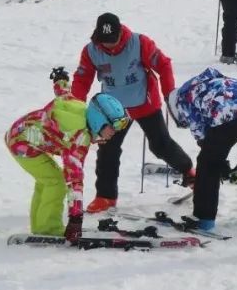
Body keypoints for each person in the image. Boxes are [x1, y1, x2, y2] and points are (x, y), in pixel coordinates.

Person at [72, 12, 194, 212]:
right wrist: (75, 105)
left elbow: (163, 65)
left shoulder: (139, 43)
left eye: (113, 40)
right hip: (113, 108)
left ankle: (189, 172)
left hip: (144, 102)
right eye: (105, 42)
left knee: (161, 145)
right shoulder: (91, 50)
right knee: (107, 150)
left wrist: (169, 94)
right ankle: (105, 196)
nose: (110, 45)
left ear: (121, 32)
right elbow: (82, 79)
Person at [5, 68, 130, 241]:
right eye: (113, 126)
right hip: (21, 144)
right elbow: (74, 179)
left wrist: (60, 79)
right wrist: (76, 218)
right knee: (55, 182)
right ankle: (47, 228)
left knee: (47, 181)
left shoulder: (78, 107)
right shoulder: (78, 137)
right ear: (98, 120)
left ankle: (40, 224)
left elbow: (63, 94)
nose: (115, 132)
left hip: (19, 134)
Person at [167, 68, 237, 230]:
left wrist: (217, 162)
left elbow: (201, 134)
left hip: (228, 115)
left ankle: (203, 217)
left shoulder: (182, 99)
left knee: (207, 163)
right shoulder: (209, 82)